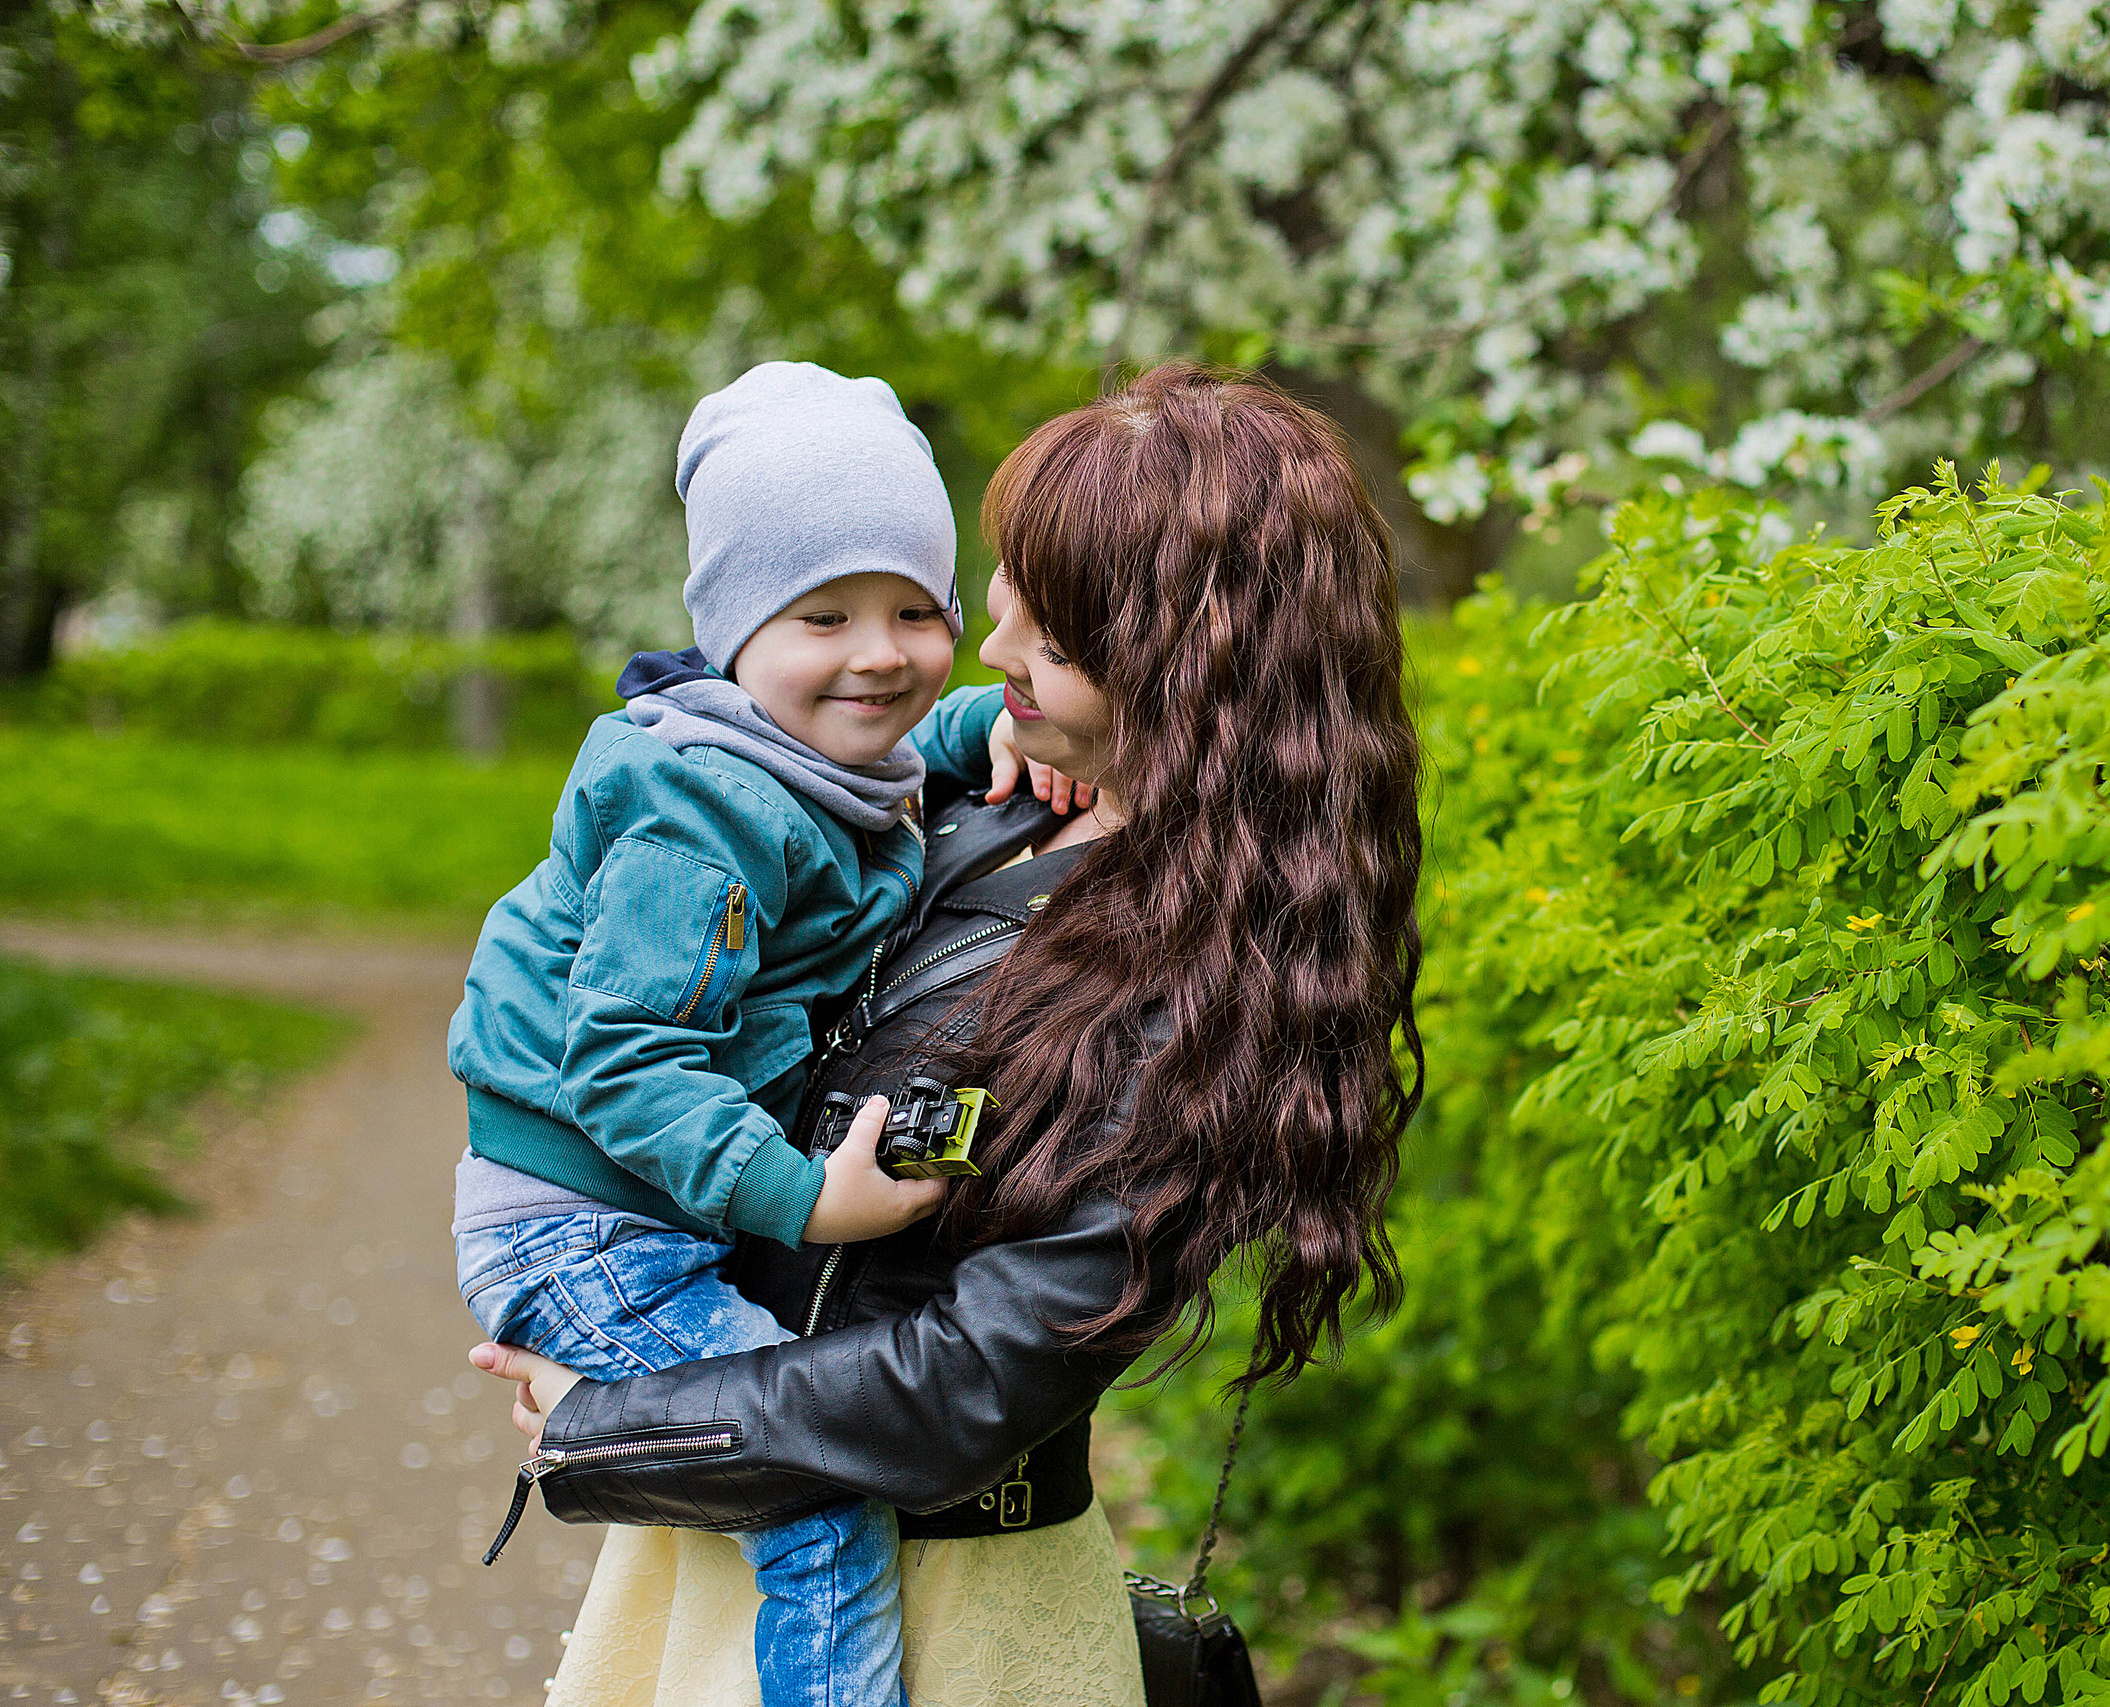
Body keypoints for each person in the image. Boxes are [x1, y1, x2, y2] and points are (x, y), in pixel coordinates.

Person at [468, 362, 1427, 1707]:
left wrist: (612, 1424)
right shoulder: (979, 802)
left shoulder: (1209, 977)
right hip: (726, 1540)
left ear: (1183, 663)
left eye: (1049, 632)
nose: (986, 650)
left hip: (941, 1612)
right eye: (1007, 596)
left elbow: (980, 1374)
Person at [448, 360, 1018, 1707]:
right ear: (731, 633)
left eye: (916, 609)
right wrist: (809, 1203)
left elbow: (907, 745)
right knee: (813, 1492)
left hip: (634, 1211)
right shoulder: (697, 813)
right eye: (821, 614)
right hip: (583, 1225)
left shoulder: (809, 746)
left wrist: (1015, 718)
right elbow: (626, 1059)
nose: (878, 652)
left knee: (786, 1455)